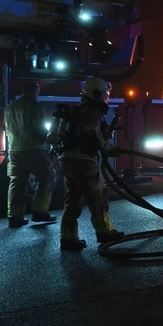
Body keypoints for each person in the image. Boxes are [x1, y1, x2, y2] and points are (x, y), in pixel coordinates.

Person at [58, 77, 125, 251]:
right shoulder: (92, 111)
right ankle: (105, 232)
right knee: (98, 196)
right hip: (83, 161)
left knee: (74, 199)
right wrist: (110, 149)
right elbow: (94, 136)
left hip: (67, 159)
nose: (106, 97)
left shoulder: (78, 110)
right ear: (96, 93)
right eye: (104, 93)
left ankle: (68, 237)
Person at [4, 81, 57, 228]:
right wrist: (50, 141)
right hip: (32, 149)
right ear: (35, 91)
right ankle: (40, 211)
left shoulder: (10, 107)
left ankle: (14, 217)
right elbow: (39, 129)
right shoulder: (35, 106)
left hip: (14, 151)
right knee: (48, 177)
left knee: (17, 183)